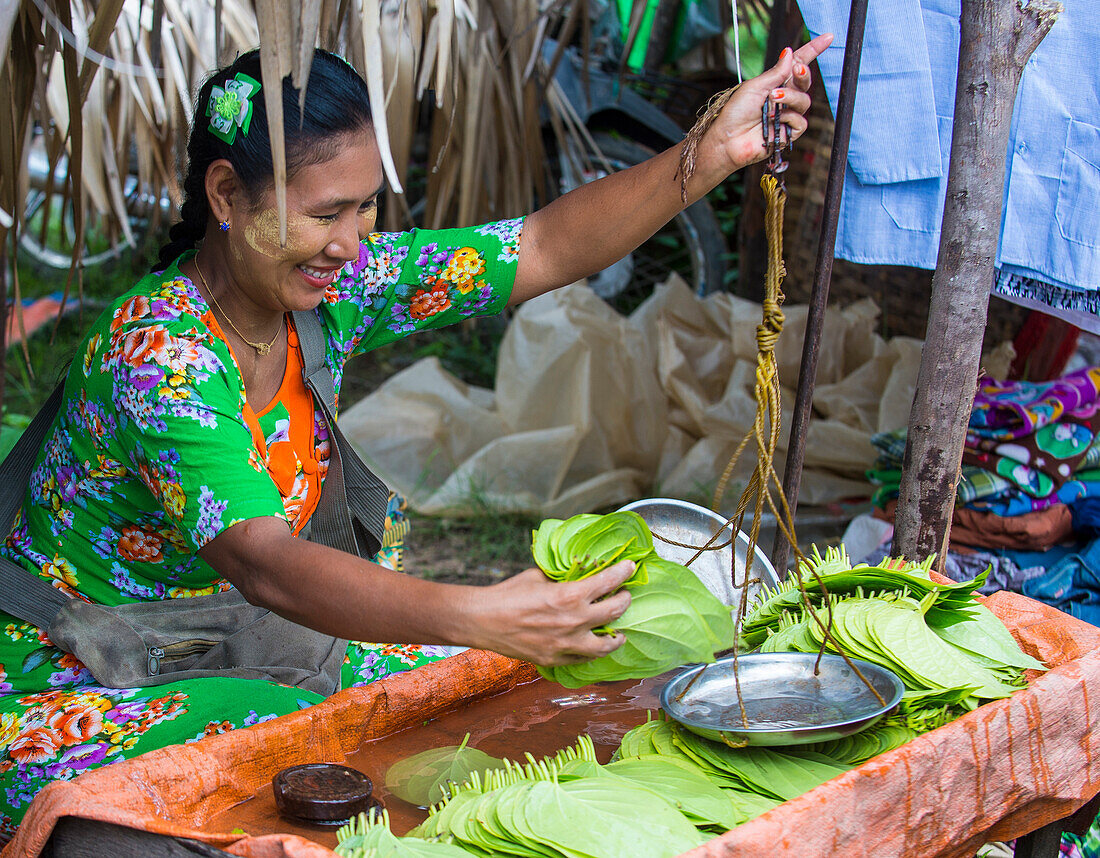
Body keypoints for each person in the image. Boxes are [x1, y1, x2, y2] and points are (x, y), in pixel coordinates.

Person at [0, 36, 830, 834]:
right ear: (225, 195)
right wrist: (481, 612)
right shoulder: (161, 356)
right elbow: (264, 560)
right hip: (75, 671)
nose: (351, 243)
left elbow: (540, 245)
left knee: (454, 692)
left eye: (366, 209)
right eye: (327, 212)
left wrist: (709, 153)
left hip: (220, 635)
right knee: (301, 745)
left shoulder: (329, 288)